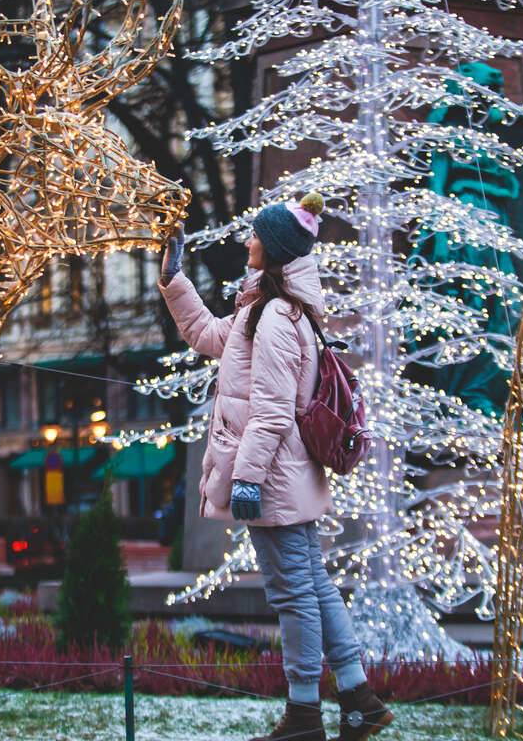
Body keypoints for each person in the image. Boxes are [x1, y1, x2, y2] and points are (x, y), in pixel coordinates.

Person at [158, 193, 393, 741]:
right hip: (287, 475)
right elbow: (206, 336)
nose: (247, 241)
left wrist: (245, 480)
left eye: (256, 235)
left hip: (273, 478)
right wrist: (174, 279)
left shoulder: (275, 320)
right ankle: (359, 701)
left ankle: (305, 716)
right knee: (313, 585)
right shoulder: (261, 310)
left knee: (294, 595)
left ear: (278, 246)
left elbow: (269, 412)